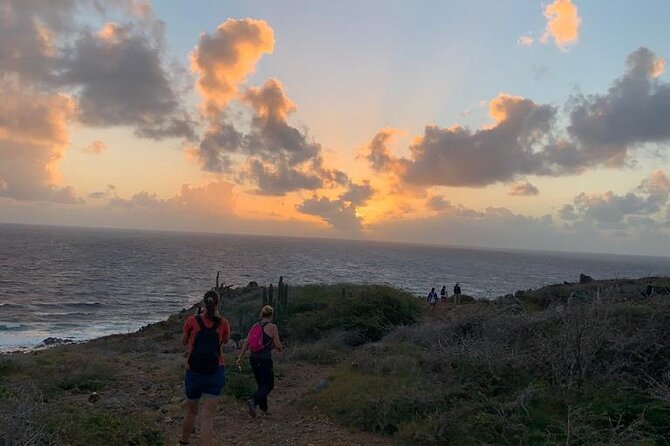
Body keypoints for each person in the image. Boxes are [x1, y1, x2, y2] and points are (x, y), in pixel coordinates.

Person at [179, 290, 230, 446]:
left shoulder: (191, 321)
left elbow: (183, 342)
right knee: (207, 416)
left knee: (191, 411)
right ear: (217, 304)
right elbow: (225, 341)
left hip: (194, 371)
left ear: (203, 303)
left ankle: (184, 442)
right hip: (215, 371)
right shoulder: (223, 323)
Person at [237, 305, 284, 418]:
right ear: (271, 315)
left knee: (261, 384)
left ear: (262, 315)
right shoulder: (272, 327)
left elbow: (246, 342)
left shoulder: (255, 326)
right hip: (265, 359)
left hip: (253, 358)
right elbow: (277, 345)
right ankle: (253, 400)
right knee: (269, 385)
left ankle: (264, 409)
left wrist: (240, 357)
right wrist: (280, 348)